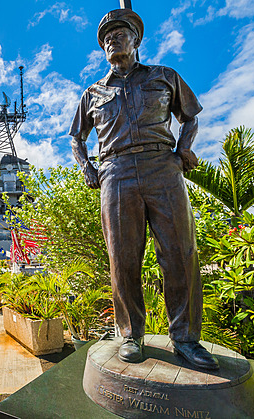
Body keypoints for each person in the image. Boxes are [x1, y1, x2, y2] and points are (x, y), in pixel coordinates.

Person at [69, 9, 218, 370]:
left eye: (119, 35)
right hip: (116, 173)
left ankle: (185, 338)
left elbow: (191, 115)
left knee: (180, 254)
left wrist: (184, 148)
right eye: (106, 39)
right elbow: (76, 137)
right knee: (122, 259)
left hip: (162, 166)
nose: (111, 42)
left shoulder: (164, 77)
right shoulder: (93, 93)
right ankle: (130, 334)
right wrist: (88, 166)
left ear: (136, 41)